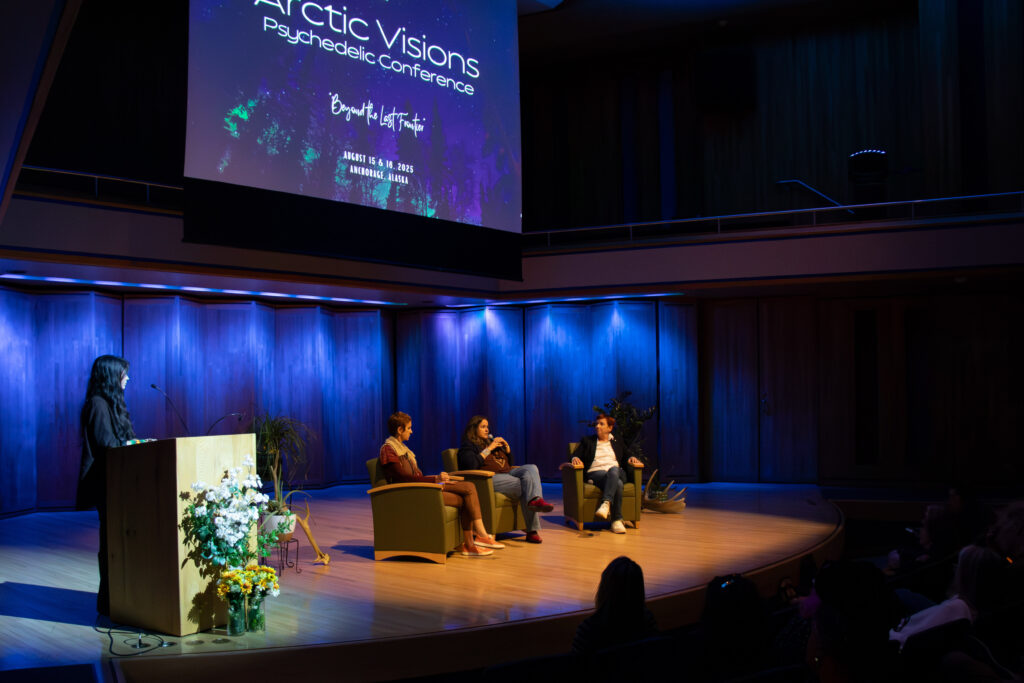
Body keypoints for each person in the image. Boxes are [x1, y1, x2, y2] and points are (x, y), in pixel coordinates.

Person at [379, 411, 503, 558]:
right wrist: (435, 480)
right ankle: (477, 538)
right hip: (410, 494)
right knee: (467, 493)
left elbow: (416, 477)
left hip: (419, 488)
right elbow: (403, 478)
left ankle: (470, 543)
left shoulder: (404, 450)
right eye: (409, 428)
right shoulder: (388, 449)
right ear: (400, 430)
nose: (411, 431)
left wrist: (439, 478)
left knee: (467, 490)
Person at [79, 354, 137, 616]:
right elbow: (107, 445)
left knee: (119, 542)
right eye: (124, 374)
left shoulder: (112, 403)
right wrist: (134, 445)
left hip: (120, 483)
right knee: (111, 543)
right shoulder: (97, 404)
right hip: (108, 484)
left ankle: (121, 598)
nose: (128, 379)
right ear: (111, 375)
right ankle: (108, 601)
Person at [456, 415, 553, 544]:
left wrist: (507, 450)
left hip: (508, 473)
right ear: (474, 429)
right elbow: (470, 465)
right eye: (483, 427)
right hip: (488, 479)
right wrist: (488, 449)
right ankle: (532, 530)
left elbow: (508, 463)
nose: (487, 429)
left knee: (531, 468)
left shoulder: (491, 443)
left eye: (487, 427)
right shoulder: (468, 446)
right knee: (527, 485)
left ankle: (535, 500)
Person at [570, 413, 642, 534]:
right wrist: (574, 458)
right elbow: (575, 454)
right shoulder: (588, 441)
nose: (597, 426)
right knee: (618, 484)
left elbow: (627, 454)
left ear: (610, 428)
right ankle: (616, 521)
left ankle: (606, 503)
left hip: (617, 471)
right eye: (597, 424)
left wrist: (631, 458)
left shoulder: (617, 441)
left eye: (601, 424)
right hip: (596, 473)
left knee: (614, 470)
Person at [572, 556, 657, 653]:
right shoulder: (648, 621)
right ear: (639, 590)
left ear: (604, 588)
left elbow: (577, 661)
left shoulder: (588, 630)